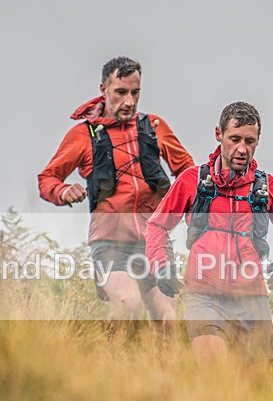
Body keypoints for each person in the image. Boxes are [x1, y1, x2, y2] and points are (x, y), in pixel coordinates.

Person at [145, 101, 273, 365]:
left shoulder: (267, 187)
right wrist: (161, 266)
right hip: (203, 296)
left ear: (257, 141)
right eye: (235, 139)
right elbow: (157, 225)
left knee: (255, 386)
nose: (242, 149)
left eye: (250, 141)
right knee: (215, 373)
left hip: (252, 300)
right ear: (219, 134)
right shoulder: (192, 181)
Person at [37, 57, 194, 325]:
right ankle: (108, 351)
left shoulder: (154, 127)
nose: (129, 101)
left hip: (155, 240)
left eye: (135, 93)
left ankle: (156, 356)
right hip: (110, 242)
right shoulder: (83, 135)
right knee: (127, 304)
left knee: (167, 319)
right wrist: (63, 191)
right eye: (121, 92)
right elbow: (47, 178)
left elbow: (187, 171)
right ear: (104, 89)